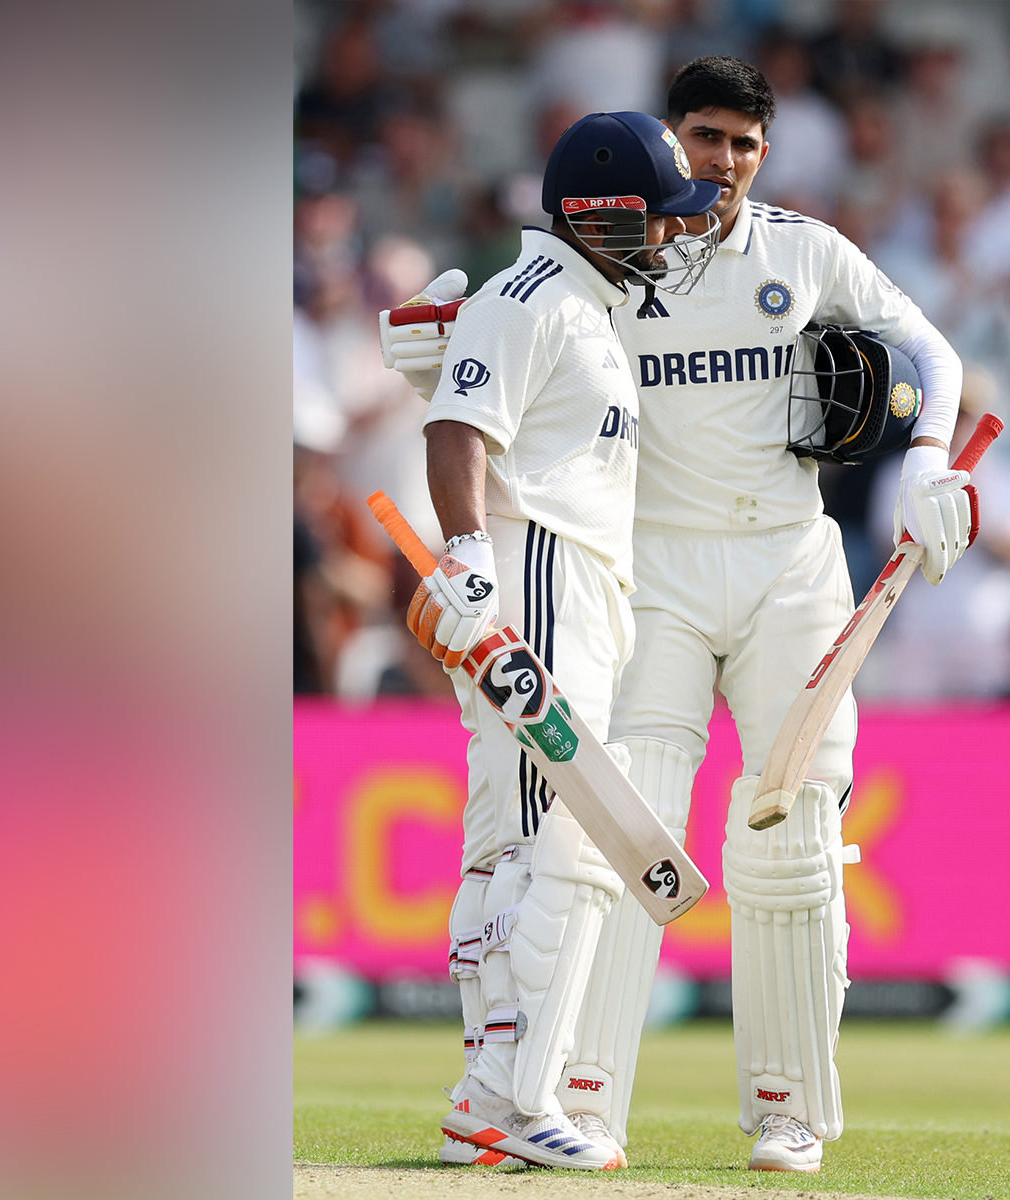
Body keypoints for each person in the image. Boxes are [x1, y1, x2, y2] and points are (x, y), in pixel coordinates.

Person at [385, 56, 973, 1174]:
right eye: (705, 138)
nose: (725, 163)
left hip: (788, 565)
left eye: (746, 144)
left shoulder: (800, 249)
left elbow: (930, 352)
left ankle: (788, 1111)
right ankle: (580, 1099)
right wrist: (435, 362)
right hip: (640, 569)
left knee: (791, 836)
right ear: (668, 139)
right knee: (620, 826)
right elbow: (499, 371)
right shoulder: (611, 258)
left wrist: (929, 463)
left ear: (767, 150)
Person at [382, 109, 720, 1170]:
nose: (669, 238)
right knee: (559, 852)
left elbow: (469, 401)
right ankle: (520, 1102)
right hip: (537, 579)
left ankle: (489, 1091)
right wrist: (473, 550)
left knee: (509, 848)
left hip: (579, 586)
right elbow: (457, 428)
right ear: (600, 213)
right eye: (655, 221)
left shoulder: (588, 304)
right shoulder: (530, 297)